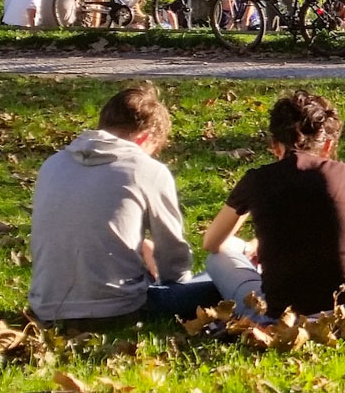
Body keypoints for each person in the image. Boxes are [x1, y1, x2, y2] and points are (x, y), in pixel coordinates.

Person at [28, 83, 220, 324]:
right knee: (224, 279)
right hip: (119, 309)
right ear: (144, 138)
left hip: (47, 308)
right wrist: (176, 284)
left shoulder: (52, 164)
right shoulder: (146, 169)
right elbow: (173, 255)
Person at [204, 90, 345, 319]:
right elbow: (333, 226)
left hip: (283, 317)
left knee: (217, 257)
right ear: (327, 146)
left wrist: (253, 237)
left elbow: (212, 242)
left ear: (275, 146)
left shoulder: (257, 180)